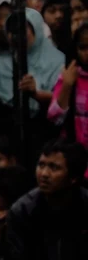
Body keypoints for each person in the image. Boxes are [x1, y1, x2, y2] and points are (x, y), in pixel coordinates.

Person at [0, 8, 65, 160]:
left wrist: (37, 94)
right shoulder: (0, 64)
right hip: (9, 137)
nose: (16, 35)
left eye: (23, 29)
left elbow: (62, 102)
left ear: (36, 29)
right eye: (12, 30)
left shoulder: (57, 61)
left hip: (46, 136)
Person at [48, 23, 88, 166]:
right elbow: (55, 116)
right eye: (83, 47)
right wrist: (67, 85)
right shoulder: (69, 75)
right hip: (74, 159)